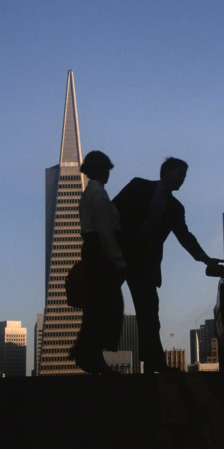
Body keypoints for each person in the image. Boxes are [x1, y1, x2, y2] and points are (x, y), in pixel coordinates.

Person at [113, 157, 221, 373]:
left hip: (144, 265)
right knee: (106, 306)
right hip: (117, 255)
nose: (182, 179)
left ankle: (154, 361)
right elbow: (112, 212)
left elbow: (184, 237)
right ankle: (92, 353)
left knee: (149, 314)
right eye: (180, 174)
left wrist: (205, 258)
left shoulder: (175, 207)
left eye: (184, 175)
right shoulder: (138, 186)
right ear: (166, 172)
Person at [70, 151, 127, 374]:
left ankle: (87, 351)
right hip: (101, 255)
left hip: (92, 252)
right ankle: (88, 351)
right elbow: (105, 232)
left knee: (96, 305)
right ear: (103, 171)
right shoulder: (99, 195)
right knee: (108, 304)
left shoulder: (89, 193)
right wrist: (119, 260)